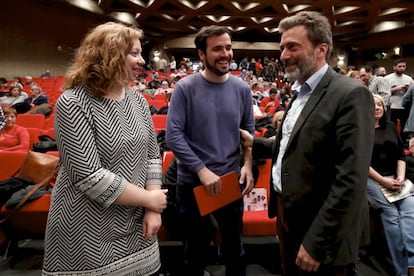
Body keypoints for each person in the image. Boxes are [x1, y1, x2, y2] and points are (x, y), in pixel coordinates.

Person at [240, 11, 374, 276]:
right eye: (282, 48)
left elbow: (350, 179)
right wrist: (254, 143)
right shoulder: (301, 91)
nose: (283, 55)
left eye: (293, 47)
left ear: (321, 49)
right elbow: (297, 146)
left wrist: (317, 244)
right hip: (288, 214)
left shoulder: (350, 94)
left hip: (321, 228)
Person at [42, 22, 168, 276]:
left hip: (137, 227)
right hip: (87, 231)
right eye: (134, 53)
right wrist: (149, 199)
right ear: (110, 54)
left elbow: (153, 156)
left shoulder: (138, 101)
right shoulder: (73, 102)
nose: (142, 60)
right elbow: (89, 176)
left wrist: (153, 208)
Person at [166, 25, 255, 276]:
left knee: (235, 250)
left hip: (229, 181)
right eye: (217, 49)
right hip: (193, 184)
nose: (225, 53)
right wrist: (201, 170)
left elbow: (248, 133)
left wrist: (247, 165)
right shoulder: (185, 88)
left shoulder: (242, 89)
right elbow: (173, 136)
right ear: (202, 55)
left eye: (228, 47)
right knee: (194, 251)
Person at [367, 94, 414, 276]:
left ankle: (412, 264)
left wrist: (401, 177)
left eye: (380, 104)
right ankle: (401, 270)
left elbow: (401, 155)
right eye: (373, 105)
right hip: (373, 179)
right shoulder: (361, 130)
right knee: (392, 216)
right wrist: (383, 181)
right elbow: (362, 163)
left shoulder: (391, 127)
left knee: (410, 211)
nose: (377, 107)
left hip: (396, 176)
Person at [384, 58, 414, 132]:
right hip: (392, 105)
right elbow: (384, 92)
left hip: (404, 106)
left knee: (403, 125)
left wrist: (408, 88)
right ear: (394, 67)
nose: (402, 68)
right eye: (399, 66)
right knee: (392, 124)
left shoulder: (409, 78)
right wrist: (396, 88)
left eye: (404, 66)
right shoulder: (387, 78)